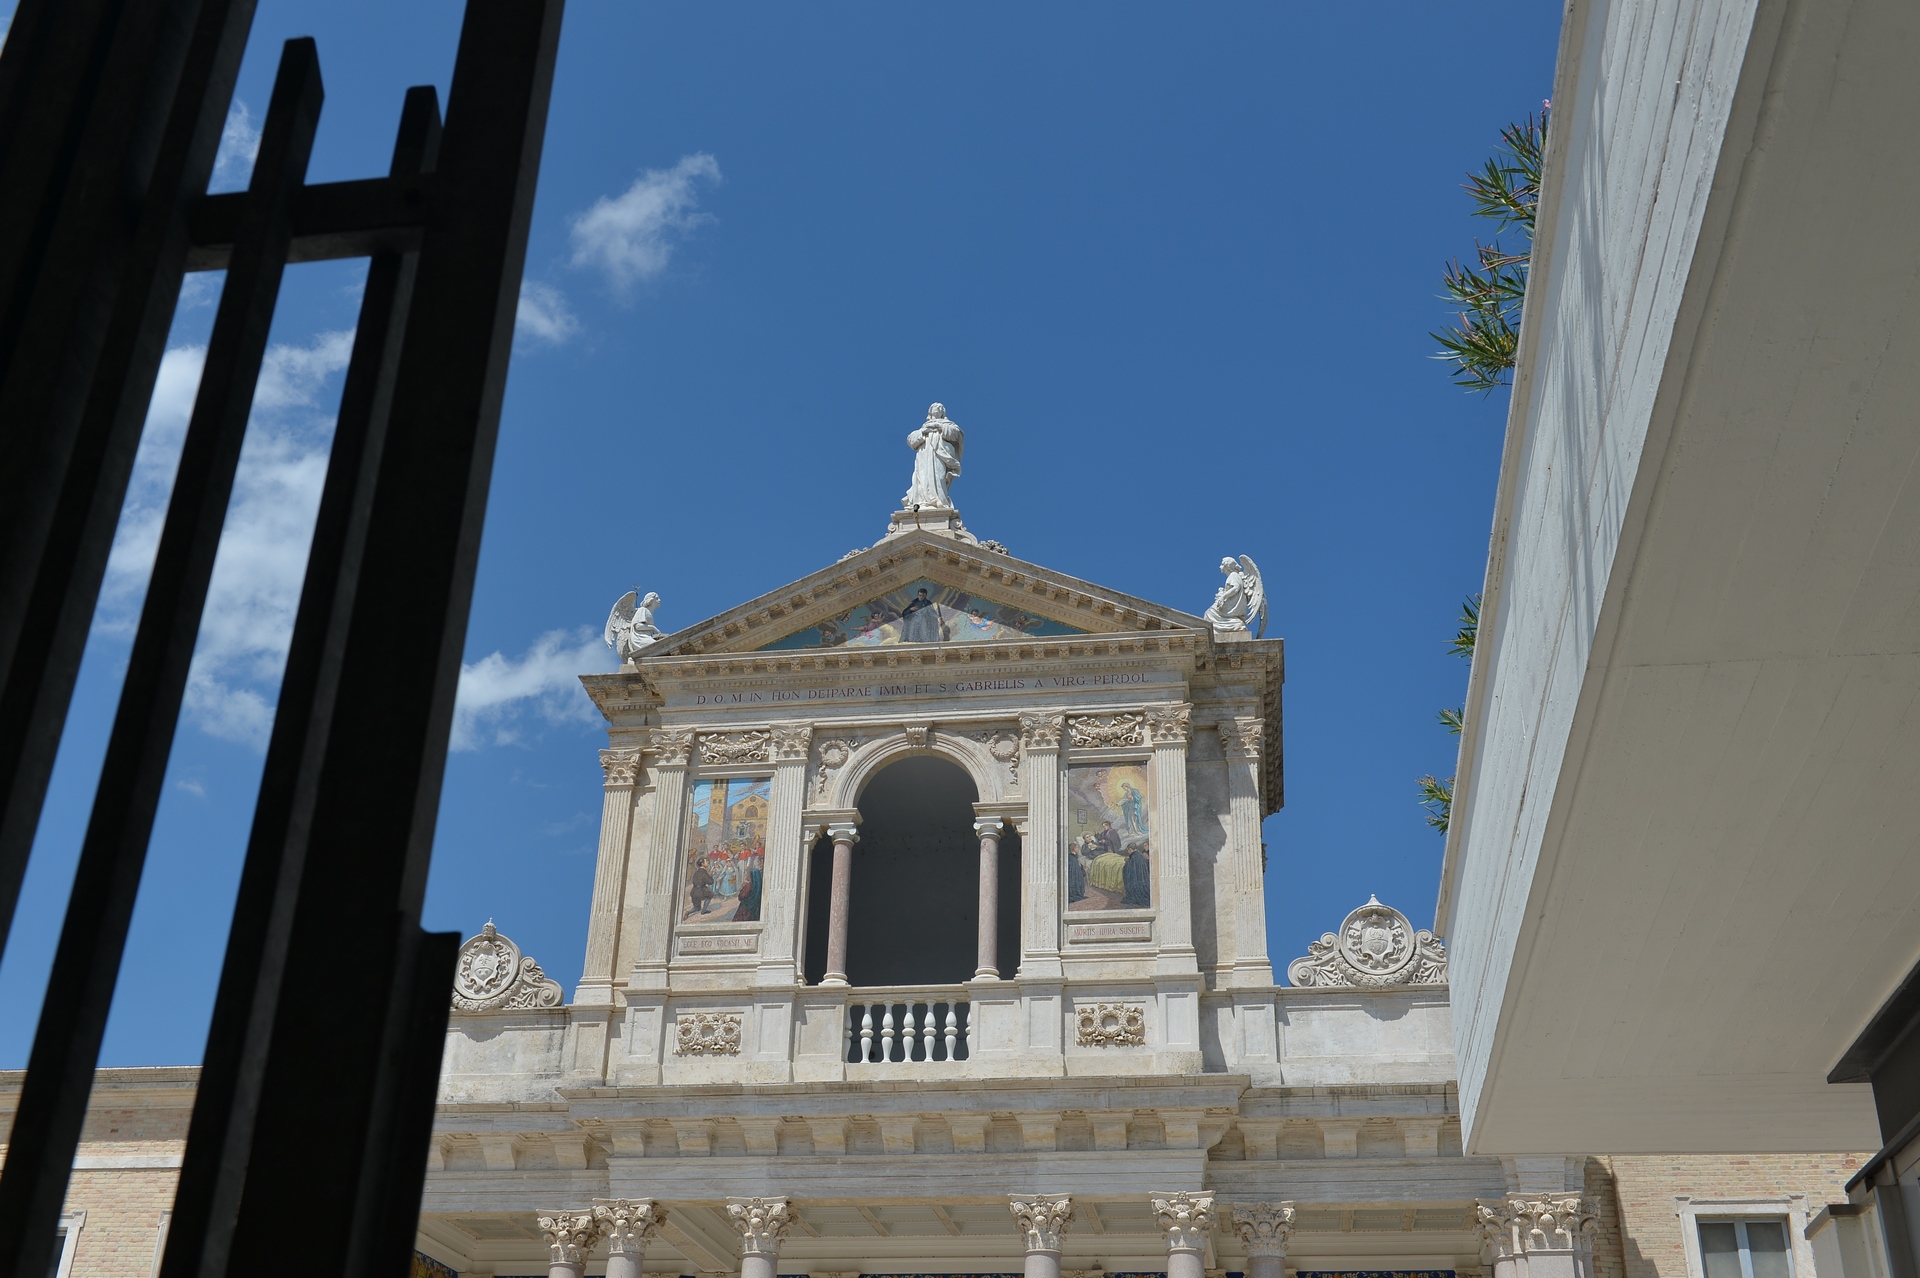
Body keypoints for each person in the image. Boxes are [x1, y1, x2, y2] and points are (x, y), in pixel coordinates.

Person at [733, 853, 763, 922]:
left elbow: (741, 897)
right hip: (755, 910)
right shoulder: (757, 885)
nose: (746, 875)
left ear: (751, 876)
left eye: (748, 874)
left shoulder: (748, 886)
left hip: (746, 909)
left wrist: (743, 888)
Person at [1122, 844, 1152, 909]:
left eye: (1128, 850)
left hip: (1137, 882)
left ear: (1130, 849)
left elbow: (1128, 869)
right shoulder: (1139, 855)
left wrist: (1126, 862)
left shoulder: (1134, 857)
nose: (1128, 852)